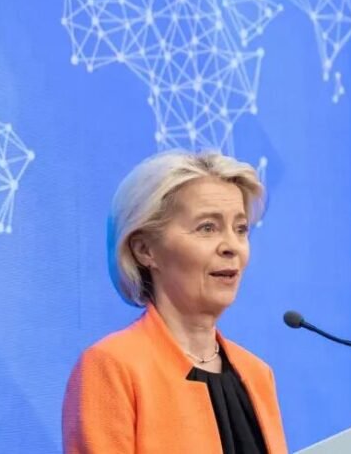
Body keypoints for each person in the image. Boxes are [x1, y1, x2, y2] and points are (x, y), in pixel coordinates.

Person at [63, 150, 288, 453]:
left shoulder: (258, 374)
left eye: (240, 229)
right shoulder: (112, 368)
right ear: (145, 250)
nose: (232, 247)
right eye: (207, 227)